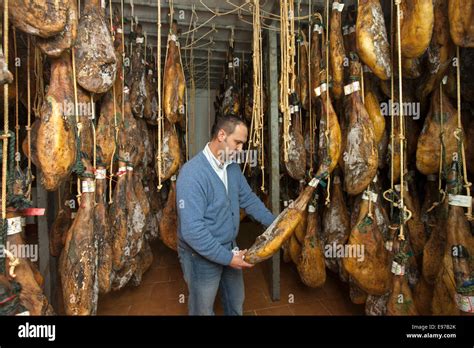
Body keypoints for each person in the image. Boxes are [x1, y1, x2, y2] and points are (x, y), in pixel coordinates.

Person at [176, 115, 276, 315]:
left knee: (235, 303)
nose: (240, 150)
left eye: (242, 144)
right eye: (237, 142)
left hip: (230, 247)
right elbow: (193, 231)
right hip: (200, 255)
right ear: (221, 135)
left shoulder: (232, 168)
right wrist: (228, 259)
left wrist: (276, 224)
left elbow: (248, 199)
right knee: (202, 310)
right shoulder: (191, 174)